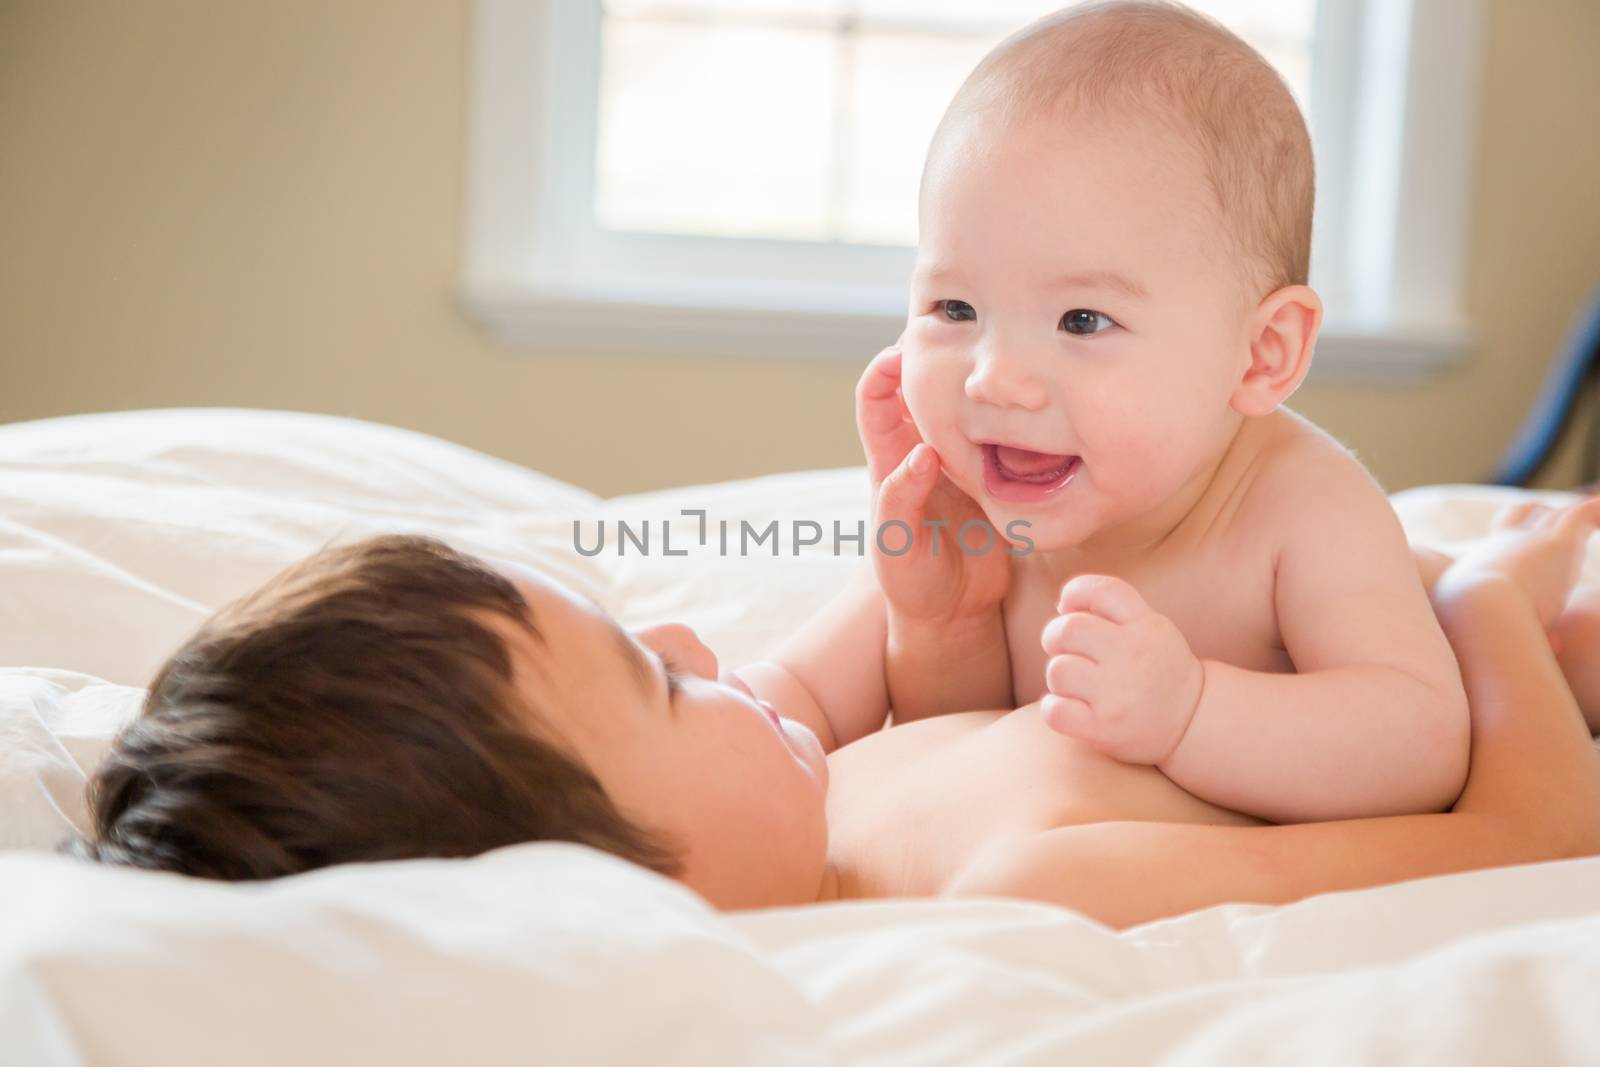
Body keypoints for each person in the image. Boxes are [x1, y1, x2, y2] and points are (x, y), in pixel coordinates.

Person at [75, 497, 1600, 929]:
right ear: (622, 884)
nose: (689, 632)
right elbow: (1532, 830)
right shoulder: (1032, 881)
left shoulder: (816, 812)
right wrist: (1480, 596)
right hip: (1504, 673)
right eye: (654, 679)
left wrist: (936, 615)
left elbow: (921, 685)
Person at [737, 0, 1472, 825]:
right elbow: (795, 697)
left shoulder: (1304, 513)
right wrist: (937, 625)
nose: (993, 381)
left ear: (1263, 352)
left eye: (1082, 321)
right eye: (954, 307)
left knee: (1513, 619)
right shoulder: (976, 508)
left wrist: (1191, 712)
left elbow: (1422, 739)